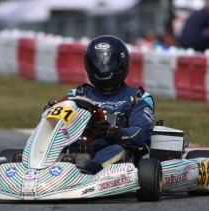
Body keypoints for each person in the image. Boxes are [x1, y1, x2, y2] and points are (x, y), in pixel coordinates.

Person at [47, 35, 155, 174]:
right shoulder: (79, 94)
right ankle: (43, 168)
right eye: (98, 62)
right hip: (78, 150)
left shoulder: (138, 97)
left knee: (116, 151)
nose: (103, 68)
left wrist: (114, 133)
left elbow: (141, 133)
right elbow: (60, 121)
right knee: (56, 149)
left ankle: (87, 173)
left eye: (109, 62)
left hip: (115, 150)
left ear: (121, 62)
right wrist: (51, 112)